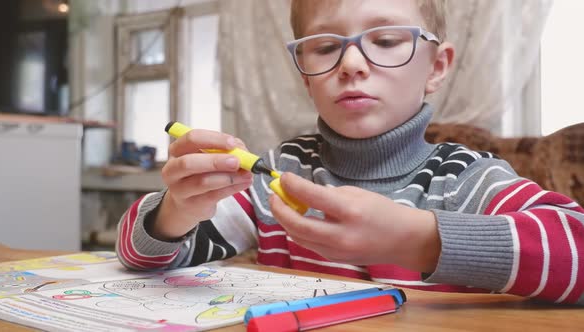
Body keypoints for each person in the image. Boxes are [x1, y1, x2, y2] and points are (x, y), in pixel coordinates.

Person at [116, 0, 584, 305]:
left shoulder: (465, 177)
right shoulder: (280, 171)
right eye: (324, 48)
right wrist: (176, 210)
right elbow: (142, 259)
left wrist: (418, 239)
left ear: (436, 67)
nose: (352, 64)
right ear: (305, 74)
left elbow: (576, 245)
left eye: (384, 41)